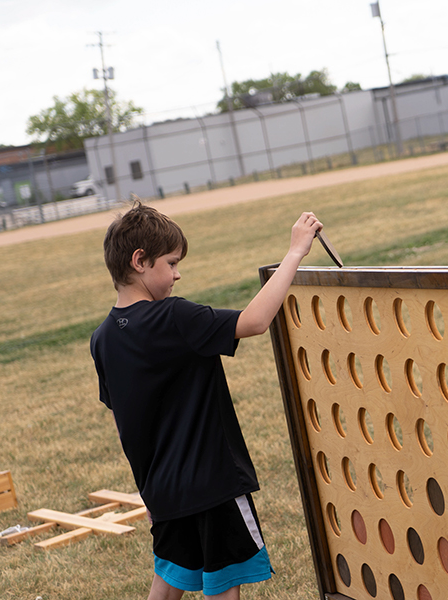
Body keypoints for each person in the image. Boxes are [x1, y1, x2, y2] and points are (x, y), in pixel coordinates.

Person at [90, 201, 322, 600]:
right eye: (172, 263)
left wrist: (149, 491)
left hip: (162, 492)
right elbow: (254, 321)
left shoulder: (103, 339)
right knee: (221, 584)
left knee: (169, 579)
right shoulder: (174, 318)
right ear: (140, 260)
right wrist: (295, 251)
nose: (178, 274)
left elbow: (123, 424)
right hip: (212, 486)